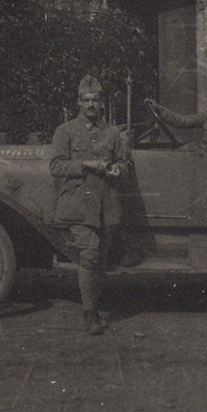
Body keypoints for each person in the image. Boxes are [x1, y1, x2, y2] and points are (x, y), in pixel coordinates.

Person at [49, 74, 131, 336]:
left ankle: (94, 303)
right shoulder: (65, 131)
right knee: (90, 253)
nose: (91, 105)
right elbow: (56, 166)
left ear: (101, 103)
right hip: (78, 203)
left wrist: (118, 169)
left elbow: (124, 163)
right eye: (86, 101)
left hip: (106, 203)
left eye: (95, 100)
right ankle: (89, 313)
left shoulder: (112, 133)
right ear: (78, 103)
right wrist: (85, 164)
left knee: (101, 257)